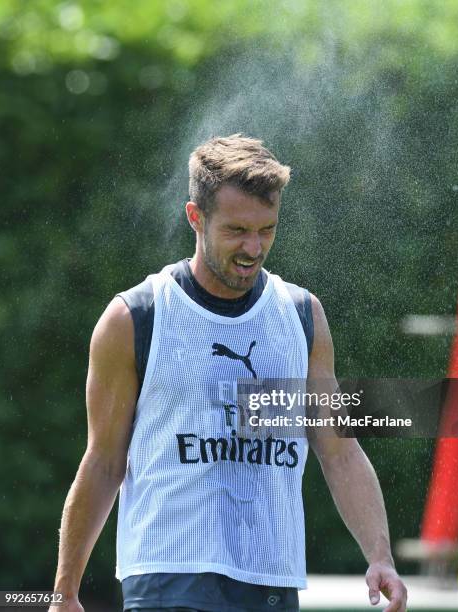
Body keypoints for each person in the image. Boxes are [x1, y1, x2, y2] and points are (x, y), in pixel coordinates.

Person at [50, 134, 407, 612]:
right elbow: (104, 461)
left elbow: (338, 450)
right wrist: (64, 591)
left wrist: (379, 555)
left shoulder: (302, 315)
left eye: (267, 230)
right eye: (237, 230)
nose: (253, 247)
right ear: (196, 218)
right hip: (168, 576)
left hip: (271, 580)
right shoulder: (136, 316)